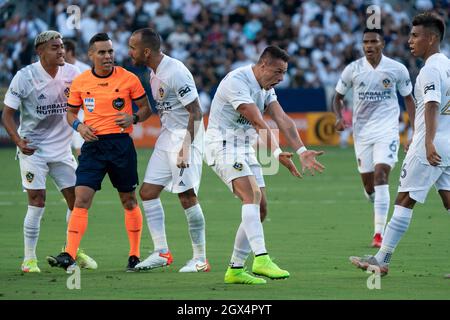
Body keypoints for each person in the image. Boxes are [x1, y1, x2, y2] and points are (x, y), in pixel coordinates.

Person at [205, 45, 324, 284]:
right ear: (262, 65)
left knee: (260, 209)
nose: (281, 78)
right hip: (222, 145)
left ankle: (235, 269)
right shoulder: (237, 81)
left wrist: (301, 150)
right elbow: (259, 122)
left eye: (284, 73)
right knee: (251, 194)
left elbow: (282, 119)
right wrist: (278, 152)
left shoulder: (266, 88)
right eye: (277, 72)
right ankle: (261, 258)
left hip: (243, 148)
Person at [350, 12, 450, 277]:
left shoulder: (430, 69)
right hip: (448, 143)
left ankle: (382, 259)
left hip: (432, 145)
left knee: (404, 199)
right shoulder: (448, 65)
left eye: (415, 36)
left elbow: (432, 103)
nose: (410, 41)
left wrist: (426, 141)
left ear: (431, 39)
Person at [46, 33, 153, 272]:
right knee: (81, 199)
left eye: (110, 52)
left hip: (120, 145)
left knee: (128, 200)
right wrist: (80, 126)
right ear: (91, 55)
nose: (107, 56)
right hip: (93, 146)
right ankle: (69, 254)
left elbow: (146, 108)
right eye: (102, 52)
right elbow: (71, 113)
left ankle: (134, 255)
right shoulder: (81, 81)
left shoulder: (128, 78)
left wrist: (133, 117)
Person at [1, 30, 96, 273]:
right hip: (34, 150)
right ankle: (29, 259)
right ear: (40, 51)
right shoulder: (24, 77)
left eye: (62, 46)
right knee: (37, 201)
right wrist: (18, 140)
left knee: (78, 201)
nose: (61, 51)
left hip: (62, 149)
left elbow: (90, 102)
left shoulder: (73, 74)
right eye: (54, 47)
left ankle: (71, 250)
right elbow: (7, 115)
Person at [128, 28, 209, 272]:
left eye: (132, 48)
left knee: (186, 196)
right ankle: (162, 252)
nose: (129, 52)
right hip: (166, 138)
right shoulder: (153, 72)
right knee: (148, 192)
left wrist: (185, 147)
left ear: (146, 51)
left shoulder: (175, 72)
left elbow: (196, 112)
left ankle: (200, 258)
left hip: (185, 138)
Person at [333, 28, 416, 248]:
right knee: (370, 186)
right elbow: (337, 97)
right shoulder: (353, 69)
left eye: (373, 41)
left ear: (382, 44)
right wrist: (339, 117)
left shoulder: (397, 69)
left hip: (387, 130)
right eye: (365, 42)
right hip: (362, 135)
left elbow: (409, 99)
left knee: (381, 176)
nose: (368, 45)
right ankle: (372, 197)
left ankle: (379, 234)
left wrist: (415, 130)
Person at [63, 39, 90, 156]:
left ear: (69, 52)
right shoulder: (59, 69)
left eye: (62, 49)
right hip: (62, 113)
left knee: (79, 147)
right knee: (63, 150)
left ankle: (84, 172)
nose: (60, 52)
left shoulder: (84, 69)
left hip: (79, 112)